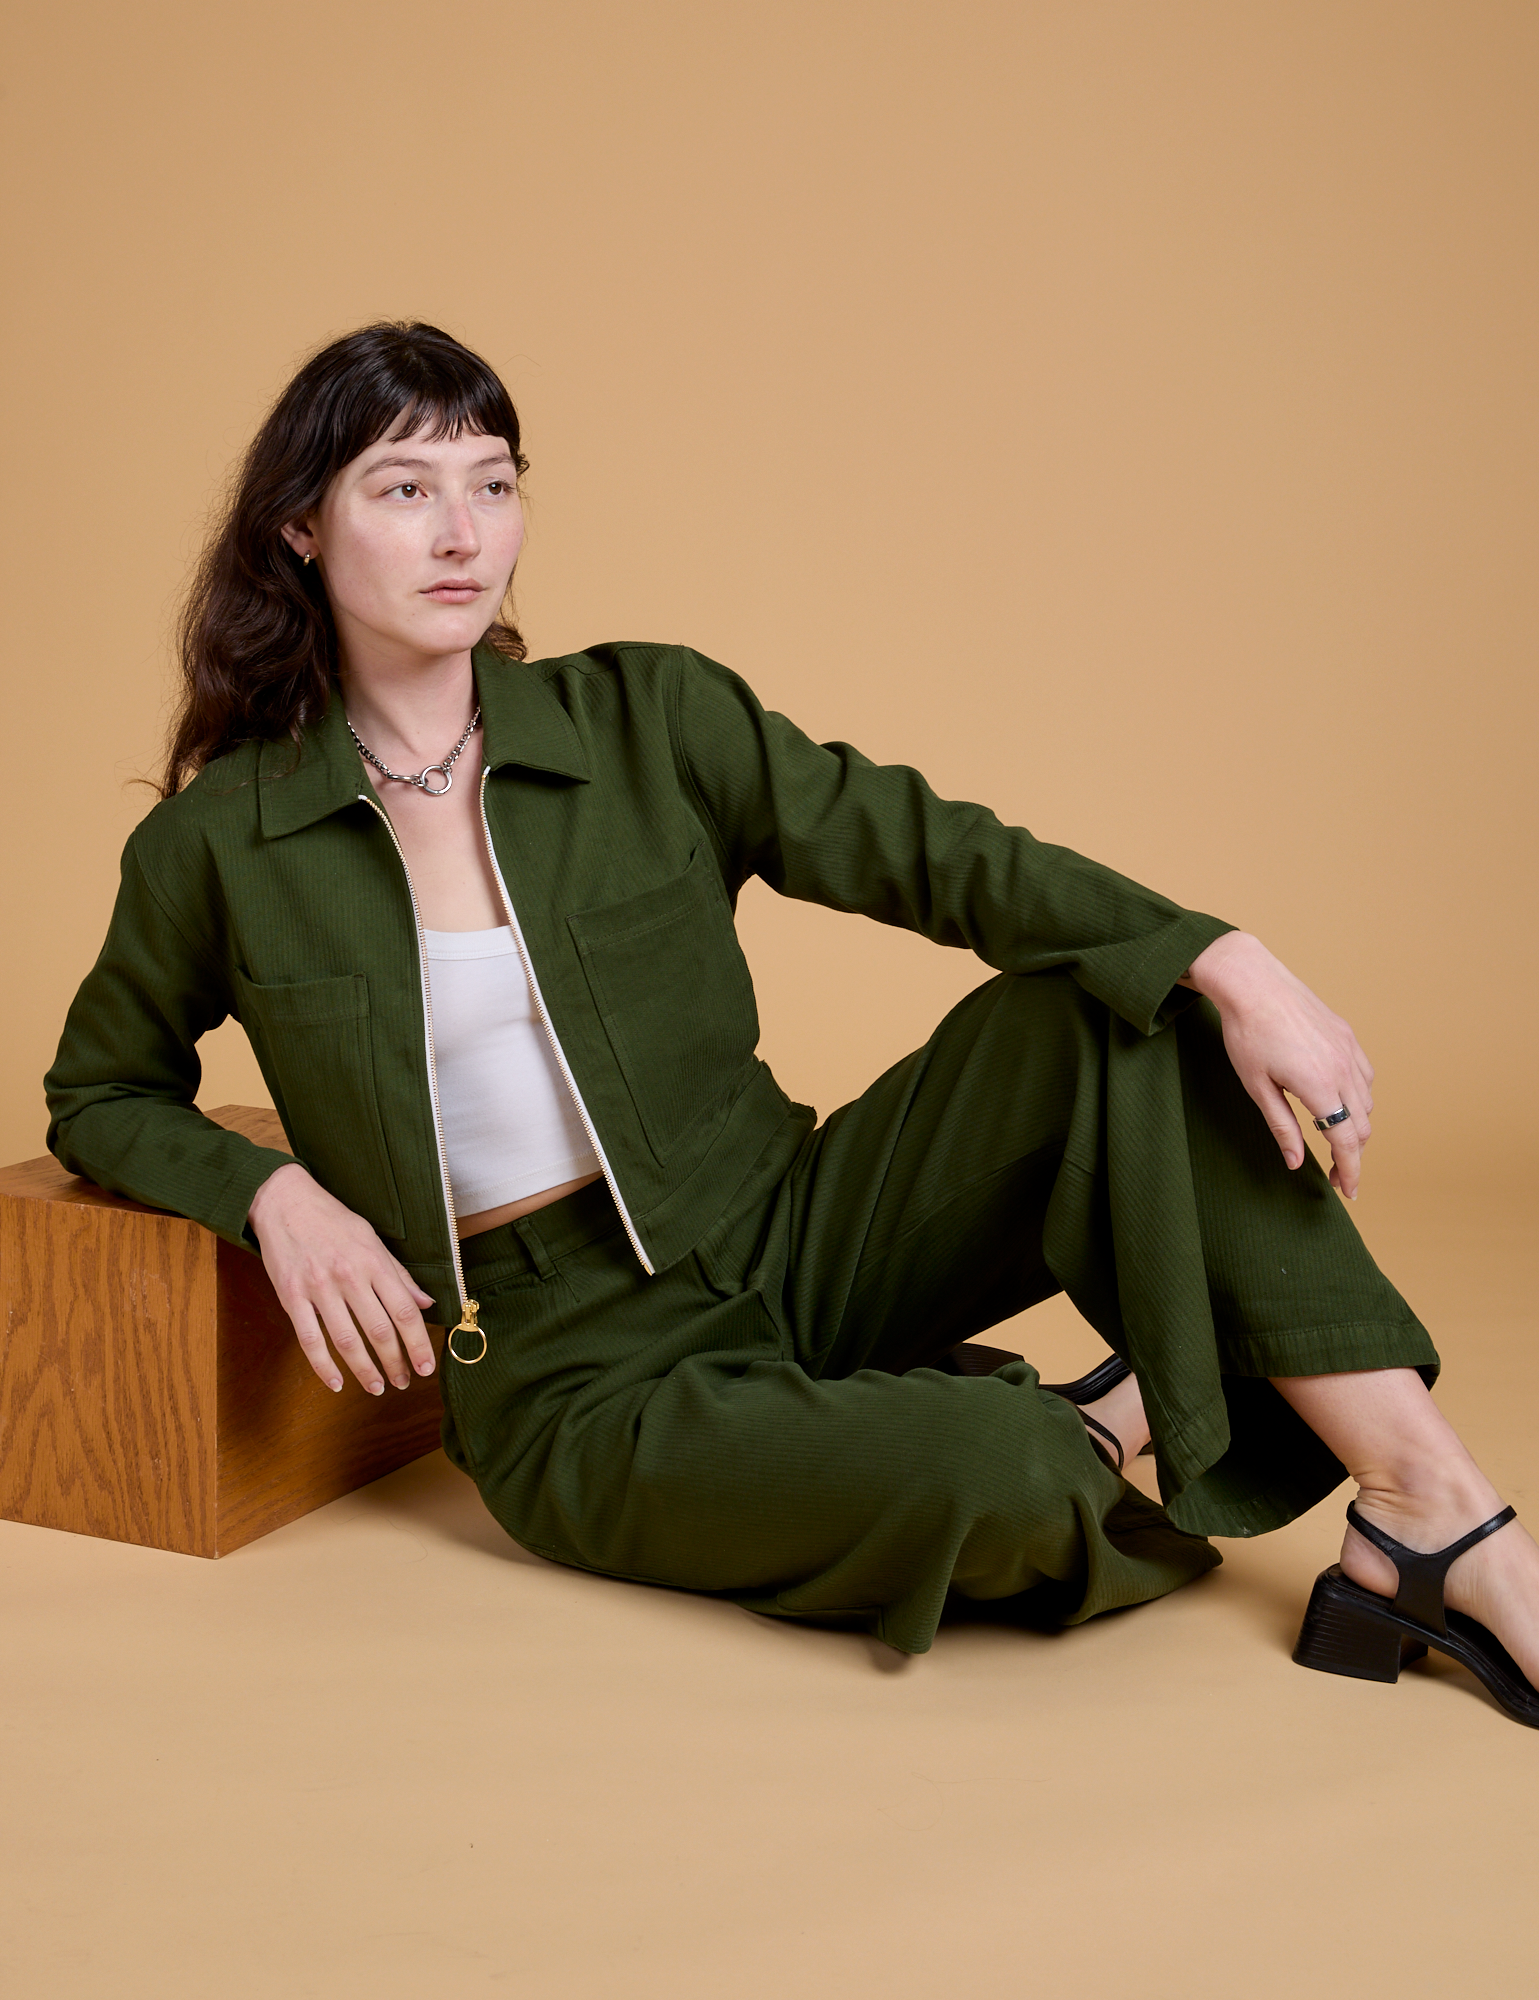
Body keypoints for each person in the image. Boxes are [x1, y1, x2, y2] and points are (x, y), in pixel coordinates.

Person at [45, 321, 1538, 1722]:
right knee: (1001, 1473)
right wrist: (276, 1196)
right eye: (404, 488)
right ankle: (1100, 1417)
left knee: (1124, 1009)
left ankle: (1432, 1514)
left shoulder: (648, 718)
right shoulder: (218, 844)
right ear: (299, 528)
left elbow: (938, 854)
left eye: (491, 484)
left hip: (787, 1227)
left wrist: (1226, 958)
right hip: (570, 1374)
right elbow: (102, 1089)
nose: (461, 534)